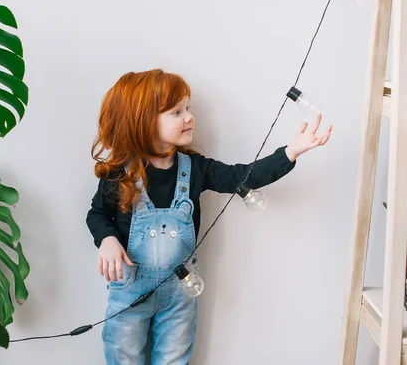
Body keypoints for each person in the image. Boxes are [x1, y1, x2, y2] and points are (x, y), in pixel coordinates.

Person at [86, 69, 332, 365]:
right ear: (142, 120)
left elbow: (242, 176)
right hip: (129, 292)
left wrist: (291, 151)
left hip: (181, 293)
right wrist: (108, 239)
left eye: (187, 108)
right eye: (176, 112)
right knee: (122, 357)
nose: (189, 117)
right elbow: (97, 213)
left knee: (174, 359)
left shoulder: (196, 168)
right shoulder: (120, 173)